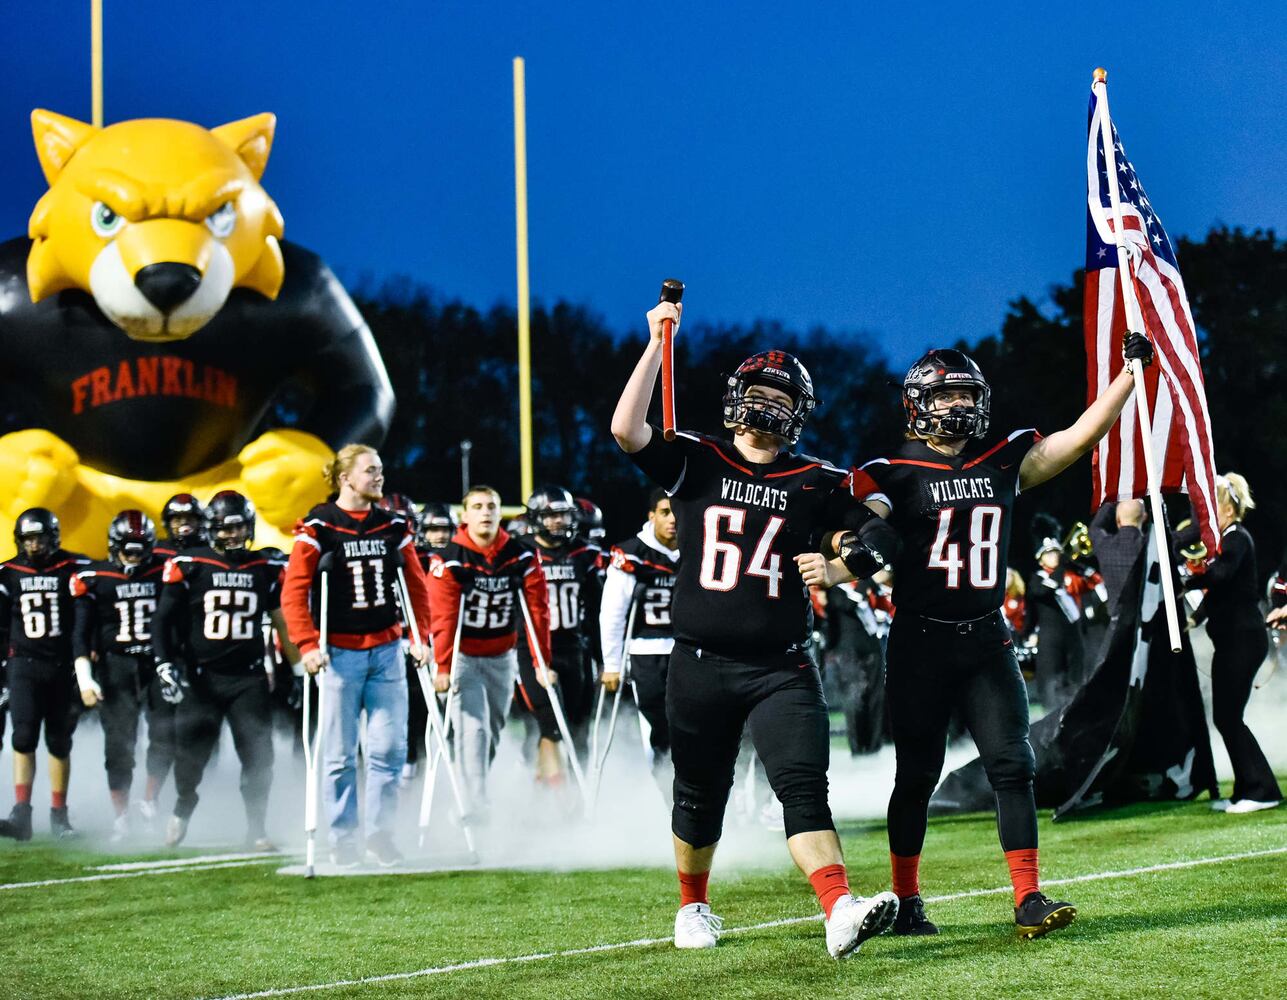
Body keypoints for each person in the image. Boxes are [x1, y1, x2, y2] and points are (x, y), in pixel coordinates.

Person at [800, 336, 1154, 940]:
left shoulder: (1002, 457)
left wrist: (1129, 374)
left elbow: (1077, 438)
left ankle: (1028, 897)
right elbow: (869, 529)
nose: (960, 406)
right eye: (948, 395)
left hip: (987, 639)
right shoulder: (891, 472)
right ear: (918, 404)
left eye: (968, 394)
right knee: (916, 775)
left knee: (1014, 765)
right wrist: (840, 563)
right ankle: (908, 902)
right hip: (921, 641)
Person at [612, 298, 899, 960]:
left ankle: (837, 909)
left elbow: (875, 528)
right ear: (736, 397)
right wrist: (658, 343)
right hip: (700, 660)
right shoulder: (698, 458)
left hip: (779, 662)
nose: (767, 403)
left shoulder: (814, 479)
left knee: (801, 786)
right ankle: (691, 903)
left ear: (798, 410)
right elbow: (626, 429)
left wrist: (840, 564)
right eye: (758, 390)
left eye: (780, 394)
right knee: (699, 794)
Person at [281, 447, 431, 867]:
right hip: (339, 653)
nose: (379, 477)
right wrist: (307, 644)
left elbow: (416, 585)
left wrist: (423, 635)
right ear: (345, 478)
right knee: (340, 754)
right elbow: (293, 592)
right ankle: (343, 836)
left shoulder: (392, 525)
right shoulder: (318, 526)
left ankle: (380, 836)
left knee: (389, 749)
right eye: (370, 470)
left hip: (386, 649)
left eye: (381, 469)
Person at [152, 491, 296, 849]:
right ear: (211, 529)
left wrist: (298, 668)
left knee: (259, 756)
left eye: (239, 528)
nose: (233, 535)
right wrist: (164, 662)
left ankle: (257, 829)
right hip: (202, 676)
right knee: (191, 756)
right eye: (225, 529)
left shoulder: (264, 568)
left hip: (248, 678)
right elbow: (163, 619)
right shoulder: (190, 564)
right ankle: (185, 803)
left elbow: (282, 622)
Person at [426, 486, 551, 822]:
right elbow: (443, 617)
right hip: (462, 657)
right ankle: (474, 803)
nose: (485, 513)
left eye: (492, 506)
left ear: (500, 513)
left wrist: (541, 662)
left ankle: (472, 789)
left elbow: (538, 610)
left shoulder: (520, 555)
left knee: (492, 729)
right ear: (464, 516)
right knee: (473, 729)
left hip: (501, 653)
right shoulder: (450, 557)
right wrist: (442, 666)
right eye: (477, 507)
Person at [1182, 474, 1282, 813]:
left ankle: (1262, 790)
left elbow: (1221, 577)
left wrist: (1187, 577)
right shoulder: (1228, 540)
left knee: (1228, 717)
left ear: (1226, 506)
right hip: (1233, 641)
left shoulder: (1236, 538)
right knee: (1226, 717)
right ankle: (1245, 789)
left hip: (1242, 640)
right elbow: (1218, 593)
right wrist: (1192, 620)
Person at [69, 511, 166, 841]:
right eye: (128, 549)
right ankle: (121, 816)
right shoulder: (96, 577)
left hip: (155, 665)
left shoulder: (162, 573)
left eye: (140, 549)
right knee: (119, 746)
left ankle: (150, 802)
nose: (134, 557)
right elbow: (80, 631)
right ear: (114, 547)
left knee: (165, 736)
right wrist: (85, 677)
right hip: (116, 666)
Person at [0, 509, 91, 840]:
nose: (35, 545)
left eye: (40, 538)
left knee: (58, 741)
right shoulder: (8, 572)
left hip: (60, 665)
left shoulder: (73, 567)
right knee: (22, 737)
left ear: (53, 538)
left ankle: (59, 816)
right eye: (29, 539)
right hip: (23, 664)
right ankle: (21, 813)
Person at [515, 484, 604, 784]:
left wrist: (603, 659)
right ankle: (551, 790)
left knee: (579, 726)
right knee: (549, 723)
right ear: (536, 518)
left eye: (563, 515)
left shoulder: (584, 553)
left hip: (574, 648)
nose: (558, 522)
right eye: (551, 516)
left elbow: (595, 612)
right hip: (536, 649)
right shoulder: (522, 553)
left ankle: (581, 787)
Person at [600, 488, 680, 786]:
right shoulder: (632, 553)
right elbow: (612, 611)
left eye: (676, 512)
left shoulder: (695, 547)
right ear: (651, 516)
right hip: (646, 651)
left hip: (688, 651)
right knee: (658, 725)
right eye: (664, 512)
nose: (673, 520)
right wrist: (611, 663)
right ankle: (662, 785)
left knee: (692, 725)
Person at [1027, 538, 1086, 710]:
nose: (1054, 556)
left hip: (1074, 634)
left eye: (1056, 553)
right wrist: (1061, 566)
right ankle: (1051, 714)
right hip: (1051, 637)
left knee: (1076, 674)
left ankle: (1076, 708)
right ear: (1040, 559)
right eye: (1049, 553)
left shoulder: (1070, 575)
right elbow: (1044, 590)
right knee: (1051, 678)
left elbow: (1092, 579)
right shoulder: (1037, 578)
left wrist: (1073, 564)